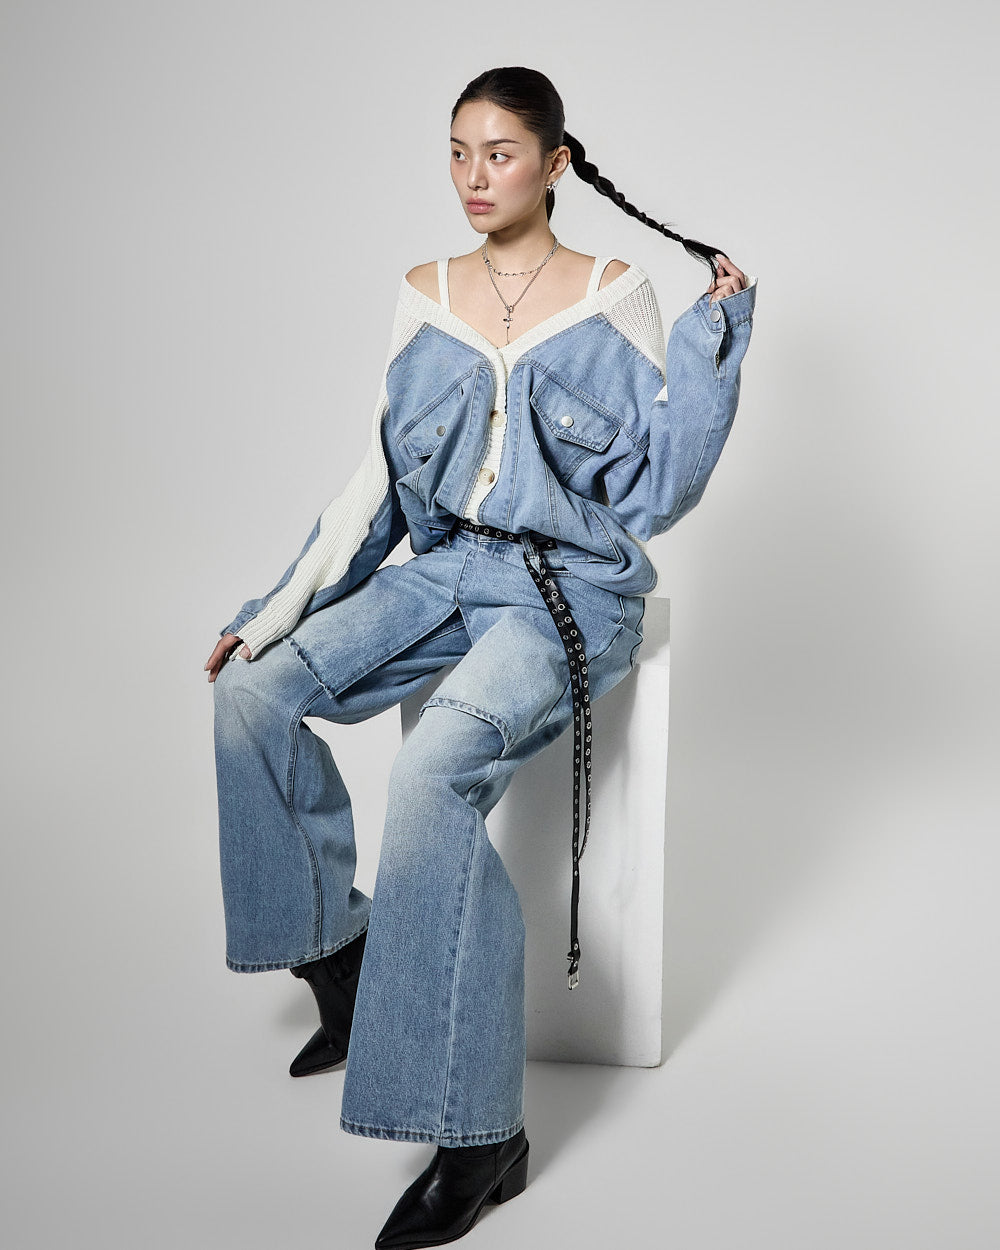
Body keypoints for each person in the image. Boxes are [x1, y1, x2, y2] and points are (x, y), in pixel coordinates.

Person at [204, 65, 756, 1250]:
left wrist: (714, 347)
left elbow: (657, 489)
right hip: (446, 567)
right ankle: (339, 955)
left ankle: (477, 1132)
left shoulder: (614, 291)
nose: (472, 176)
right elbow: (375, 480)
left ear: (554, 164)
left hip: (570, 590)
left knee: (430, 773)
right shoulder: (425, 291)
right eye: (456, 151)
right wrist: (275, 607)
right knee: (251, 692)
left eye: (498, 153)